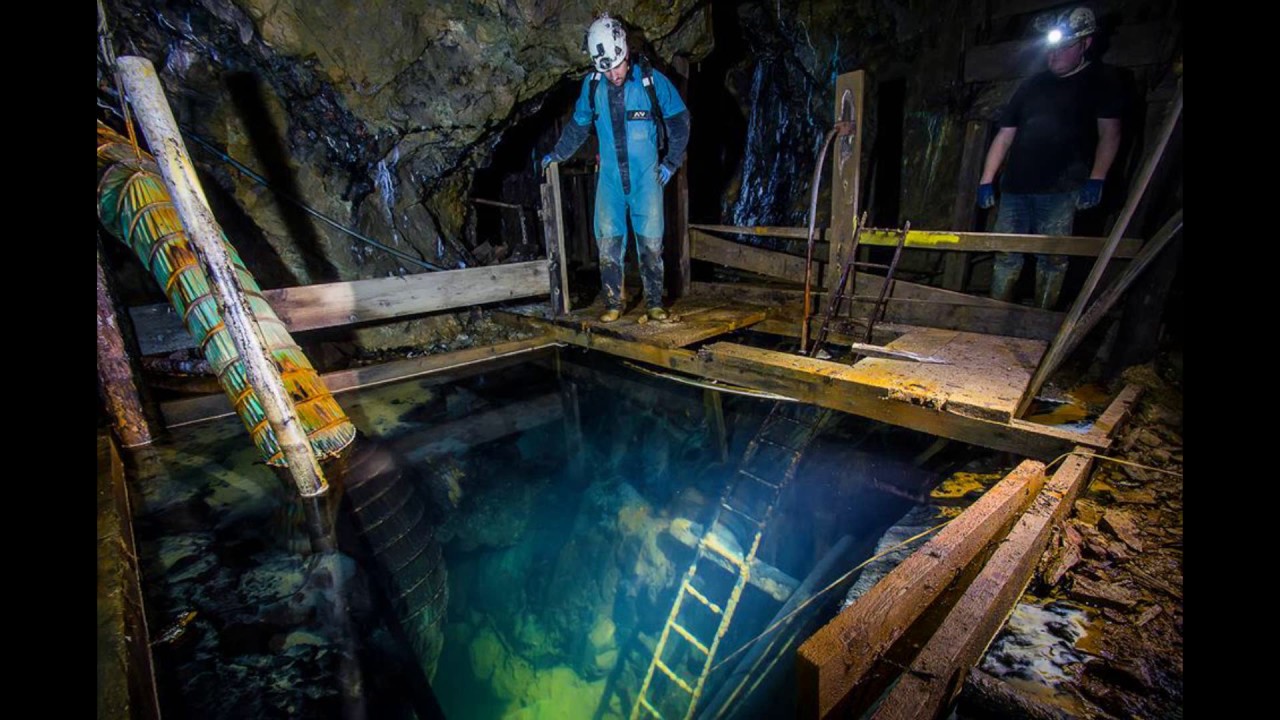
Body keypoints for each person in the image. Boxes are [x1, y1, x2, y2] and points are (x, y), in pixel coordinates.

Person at [541, 13, 691, 322]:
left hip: (646, 177)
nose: (614, 75)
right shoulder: (593, 86)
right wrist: (557, 154)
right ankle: (613, 303)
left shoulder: (651, 81)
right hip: (609, 178)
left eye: (617, 66)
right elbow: (579, 125)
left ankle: (653, 303)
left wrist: (671, 162)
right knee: (608, 242)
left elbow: (679, 121)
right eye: (606, 69)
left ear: (625, 52)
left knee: (651, 244)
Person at [977, 6, 1123, 309]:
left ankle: (1041, 319)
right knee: (1006, 252)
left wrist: (1097, 177)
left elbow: (1110, 134)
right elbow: (1005, 134)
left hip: (1062, 189)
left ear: (1085, 44)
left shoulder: (1102, 82)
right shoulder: (1031, 85)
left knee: (1053, 257)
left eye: (1063, 48)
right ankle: (994, 314)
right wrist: (987, 179)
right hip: (1016, 186)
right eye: (1050, 49)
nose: (1053, 56)